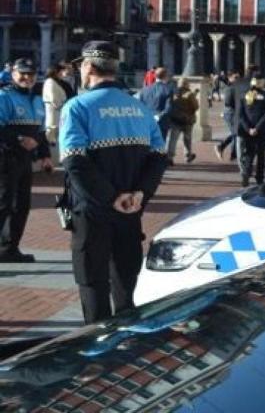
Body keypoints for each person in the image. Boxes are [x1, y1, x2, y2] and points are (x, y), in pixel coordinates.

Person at [60, 41, 167, 323]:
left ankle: (97, 342)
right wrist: (140, 194)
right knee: (126, 281)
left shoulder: (77, 107)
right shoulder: (140, 108)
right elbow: (158, 158)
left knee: (92, 281)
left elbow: (74, 161)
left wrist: (110, 198)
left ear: (87, 67)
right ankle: (126, 338)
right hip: (131, 210)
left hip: (93, 211)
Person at [0, 59, 53, 263]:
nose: (27, 77)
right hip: (5, 157)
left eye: (31, 74)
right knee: (3, 204)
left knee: (21, 205)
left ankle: (9, 249)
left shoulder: (37, 99)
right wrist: (19, 139)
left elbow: (40, 131)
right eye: (22, 73)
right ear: (13, 74)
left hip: (24, 160)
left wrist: (45, 156)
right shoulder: (4, 96)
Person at [237, 74, 265, 187]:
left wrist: (248, 129)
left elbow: (240, 115)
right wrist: (257, 127)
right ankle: (259, 178)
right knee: (261, 155)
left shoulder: (244, 95)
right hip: (261, 130)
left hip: (248, 131)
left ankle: (246, 175)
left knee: (248, 153)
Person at [166, 79, 198, 165]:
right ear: (187, 84)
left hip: (175, 119)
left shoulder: (174, 94)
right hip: (187, 120)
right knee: (187, 139)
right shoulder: (189, 94)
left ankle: (169, 156)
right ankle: (188, 155)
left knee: (173, 139)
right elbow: (196, 106)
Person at [42, 63, 74, 149]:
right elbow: (55, 100)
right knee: (52, 133)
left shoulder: (58, 82)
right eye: (61, 71)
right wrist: (65, 104)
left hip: (59, 113)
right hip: (54, 113)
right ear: (56, 72)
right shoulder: (50, 82)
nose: (63, 73)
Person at [137, 67, 174, 139]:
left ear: (155, 76)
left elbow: (140, 107)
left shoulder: (145, 89)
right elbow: (168, 108)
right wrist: (158, 117)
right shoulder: (168, 90)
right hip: (161, 123)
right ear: (165, 76)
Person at [215, 71, 239, 161]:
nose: (237, 79)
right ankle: (232, 154)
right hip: (230, 113)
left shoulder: (235, 87)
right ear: (230, 78)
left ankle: (224, 148)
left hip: (233, 112)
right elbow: (228, 102)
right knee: (236, 133)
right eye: (235, 78)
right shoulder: (230, 87)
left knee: (236, 133)